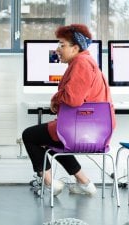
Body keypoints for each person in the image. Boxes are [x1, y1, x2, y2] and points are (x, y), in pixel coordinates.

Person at [22, 24, 115, 196]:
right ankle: (85, 184)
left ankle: (50, 184)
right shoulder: (87, 61)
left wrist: (55, 99)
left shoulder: (81, 63)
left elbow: (73, 99)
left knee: (29, 135)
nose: (58, 49)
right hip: (94, 130)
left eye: (62, 45)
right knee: (58, 140)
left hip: (80, 130)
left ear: (75, 47)